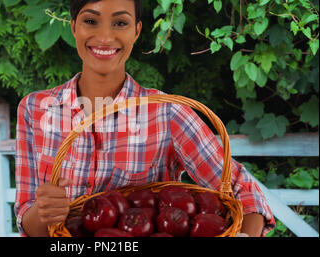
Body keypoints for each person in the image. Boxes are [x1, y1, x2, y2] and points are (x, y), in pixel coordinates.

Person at [14, 0, 275, 237]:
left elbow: (245, 192)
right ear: (73, 27)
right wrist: (46, 212)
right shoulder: (34, 109)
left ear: (136, 31)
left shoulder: (168, 113)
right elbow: (28, 220)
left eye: (120, 23)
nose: (105, 37)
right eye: (90, 21)